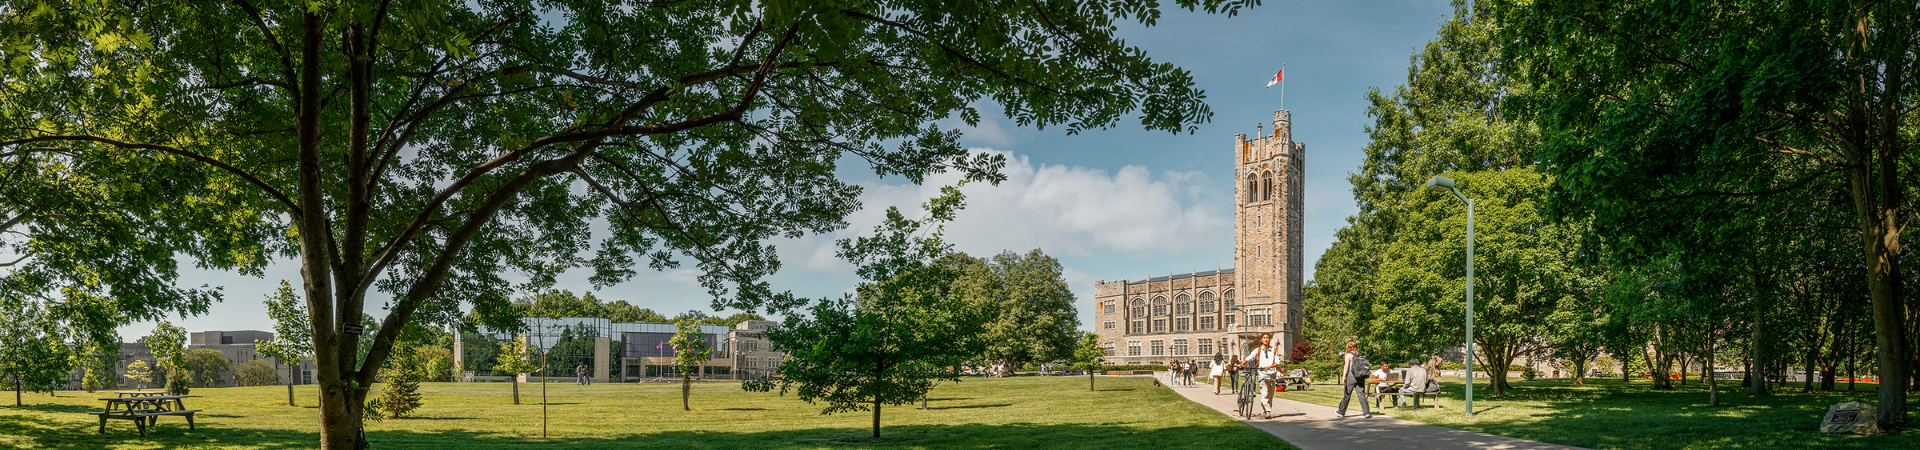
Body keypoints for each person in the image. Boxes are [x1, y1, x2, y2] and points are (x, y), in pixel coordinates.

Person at [1244, 333, 1284, 419]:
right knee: (1264, 394)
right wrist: (1241, 364)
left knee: (1270, 395)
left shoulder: (1274, 350)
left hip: (1272, 375)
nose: (1266, 339)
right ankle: (1267, 411)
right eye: (1264, 338)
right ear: (1261, 340)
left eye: (1267, 338)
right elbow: (1249, 358)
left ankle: (1267, 410)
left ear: (1270, 340)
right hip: (1263, 375)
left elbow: (1278, 362)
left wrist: (1270, 366)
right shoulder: (1258, 350)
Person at [1335, 340, 1372, 418]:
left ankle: (1341, 412)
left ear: (1348, 346)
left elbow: (1346, 366)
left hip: (1352, 375)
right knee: (1361, 394)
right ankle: (1366, 412)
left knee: (1347, 393)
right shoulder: (1359, 355)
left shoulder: (1348, 355)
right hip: (1361, 376)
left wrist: (1343, 377)